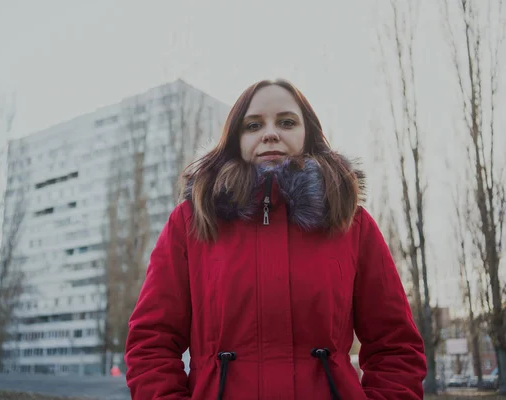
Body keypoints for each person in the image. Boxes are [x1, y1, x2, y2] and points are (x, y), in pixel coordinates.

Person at [124, 79, 427, 399]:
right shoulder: (191, 222)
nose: (270, 133)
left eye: (286, 122)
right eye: (253, 125)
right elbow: (151, 343)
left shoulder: (351, 225)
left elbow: (396, 346)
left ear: (307, 133)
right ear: (236, 140)